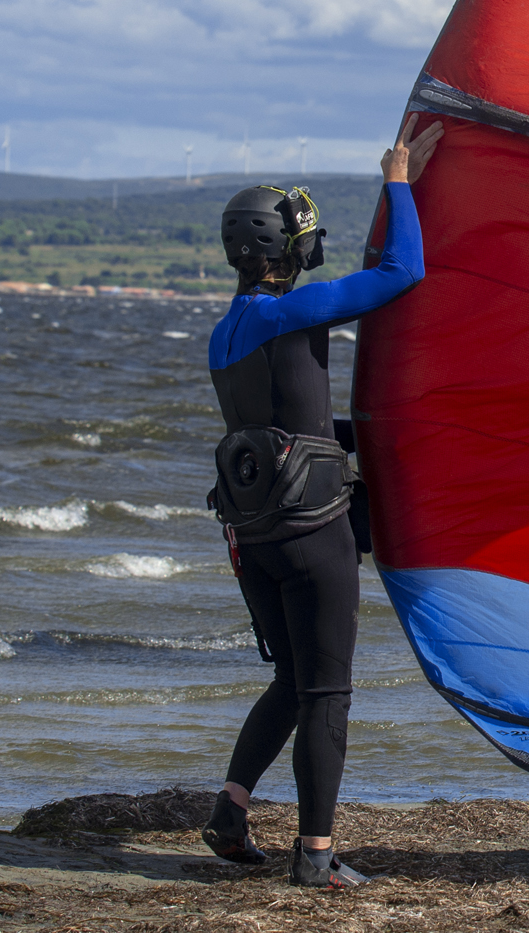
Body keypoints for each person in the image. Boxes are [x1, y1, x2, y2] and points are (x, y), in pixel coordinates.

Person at [200, 116, 441, 887]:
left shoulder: (224, 331)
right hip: (313, 535)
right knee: (327, 693)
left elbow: (283, 422)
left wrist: (364, 429)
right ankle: (315, 857)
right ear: (284, 250)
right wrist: (398, 182)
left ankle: (230, 813)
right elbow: (403, 271)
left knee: (290, 682)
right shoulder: (285, 311)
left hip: (253, 538)